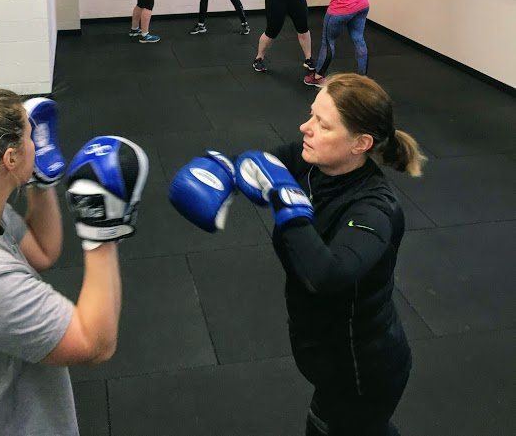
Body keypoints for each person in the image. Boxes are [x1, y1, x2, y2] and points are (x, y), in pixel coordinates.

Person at [171, 73, 426, 436]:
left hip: (361, 370)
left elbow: (326, 275)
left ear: (360, 143)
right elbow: (259, 164)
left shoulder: (375, 209)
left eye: (323, 124)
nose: (305, 127)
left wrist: (286, 202)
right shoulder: (310, 162)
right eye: (311, 115)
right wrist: (225, 169)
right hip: (327, 353)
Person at [0, 90, 148, 436]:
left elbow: (43, 251)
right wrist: (101, 230)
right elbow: (95, 344)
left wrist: (41, 181)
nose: (38, 143)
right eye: (30, 135)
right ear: (10, 158)